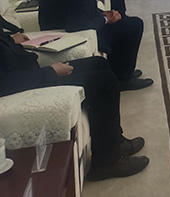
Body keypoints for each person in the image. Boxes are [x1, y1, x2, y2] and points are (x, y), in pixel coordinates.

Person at [0, 14, 149, 181]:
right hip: (27, 85)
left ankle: (115, 142)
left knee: (98, 63)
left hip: (31, 73)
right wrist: (51, 72)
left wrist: (10, 40)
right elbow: (4, 83)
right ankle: (106, 162)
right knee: (104, 82)